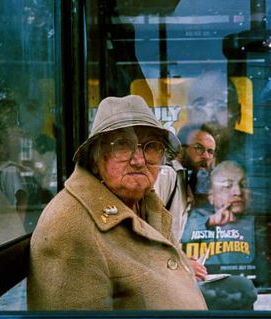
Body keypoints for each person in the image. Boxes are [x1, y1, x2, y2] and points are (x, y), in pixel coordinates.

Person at [27, 95, 207, 310]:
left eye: (151, 146)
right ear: (95, 157)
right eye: (122, 145)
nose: (139, 160)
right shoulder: (69, 228)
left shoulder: (146, 202)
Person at [180, 160, 257, 310]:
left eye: (243, 185)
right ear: (211, 196)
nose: (237, 192)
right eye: (227, 186)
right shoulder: (196, 217)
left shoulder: (255, 223)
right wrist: (209, 222)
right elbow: (179, 234)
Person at [154, 123, 217, 242]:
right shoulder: (167, 174)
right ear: (181, 149)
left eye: (210, 151)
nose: (206, 156)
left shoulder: (183, 178)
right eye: (199, 148)